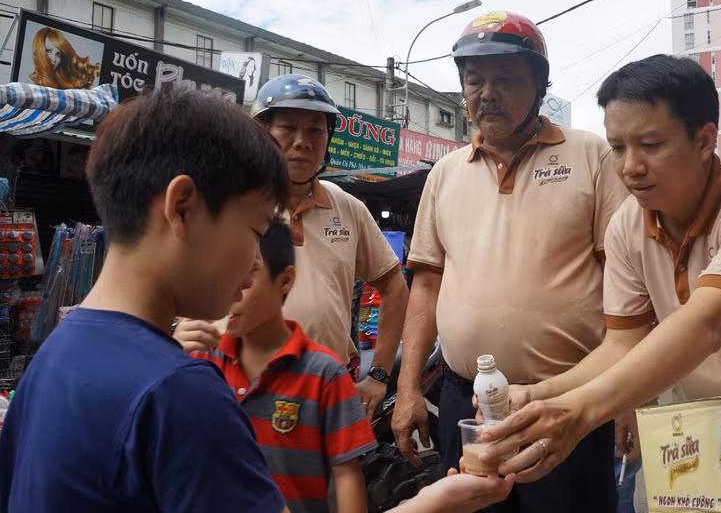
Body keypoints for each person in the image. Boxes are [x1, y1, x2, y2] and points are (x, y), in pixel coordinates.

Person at [0, 86, 516, 513]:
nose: (257, 264)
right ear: (182, 208)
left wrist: (379, 376)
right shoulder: (182, 394)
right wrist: (437, 503)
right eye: (253, 229)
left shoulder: (54, 356)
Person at [476, 54, 721, 481]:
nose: (630, 167)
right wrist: (536, 395)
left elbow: (706, 325)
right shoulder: (627, 225)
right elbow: (621, 346)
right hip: (716, 441)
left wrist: (580, 411)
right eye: (617, 147)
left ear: (705, 139)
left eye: (650, 146)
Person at [392, 10, 629, 512]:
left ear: (540, 87)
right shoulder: (445, 174)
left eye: (507, 80)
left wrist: (623, 394)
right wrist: (408, 386)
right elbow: (427, 286)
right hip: (464, 406)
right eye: (474, 81)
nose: (487, 94)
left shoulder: (593, 157)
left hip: (568, 402)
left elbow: (626, 280)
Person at [175, 74, 409, 420]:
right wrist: (178, 329)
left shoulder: (349, 208)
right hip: (236, 386)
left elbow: (394, 287)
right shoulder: (227, 204)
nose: (302, 142)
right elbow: (177, 282)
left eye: (316, 130)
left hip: (328, 387)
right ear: (261, 133)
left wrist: (378, 375)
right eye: (288, 128)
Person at [188, 220, 375, 513]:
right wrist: (169, 355)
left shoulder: (324, 373)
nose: (229, 292)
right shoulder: (201, 362)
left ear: (285, 280)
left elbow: (346, 473)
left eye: (246, 275)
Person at [29, 27, 100, 89]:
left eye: (58, 55)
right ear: (39, 50)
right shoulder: (31, 86)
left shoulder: (64, 79)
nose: (53, 60)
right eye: (49, 51)